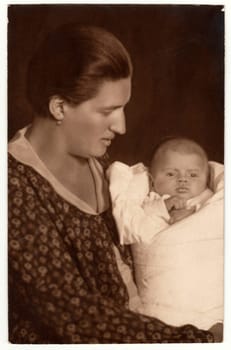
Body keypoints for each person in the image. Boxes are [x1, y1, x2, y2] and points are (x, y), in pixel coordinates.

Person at [8, 23, 217, 344]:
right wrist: (203, 340)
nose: (121, 126)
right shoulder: (13, 187)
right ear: (59, 107)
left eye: (123, 107)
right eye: (108, 111)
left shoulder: (100, 161)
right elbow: (71, 313)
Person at [107, 137, 224, 331]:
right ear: (152, 180)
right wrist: (162, 208)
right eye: (170, 174)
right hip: (163, 302)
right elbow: (136, 229)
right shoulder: (150, 202)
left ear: (207, 178)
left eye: (193, 175)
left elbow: (214, 222)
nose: (183, 180)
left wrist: (192, 215)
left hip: (209, 303)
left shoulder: (210, 201)